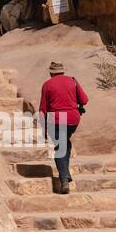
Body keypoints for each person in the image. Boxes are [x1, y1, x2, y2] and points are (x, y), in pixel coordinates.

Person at [38, 60, 88, 194]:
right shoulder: (73, 81)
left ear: (50, 72)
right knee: (65, 143)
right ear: (63, 71)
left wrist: (43, 128)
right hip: (73, 119)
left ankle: (64, 179)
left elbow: (43, 108)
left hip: (57, 119)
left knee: (60, 147)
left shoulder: (47, 85)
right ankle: (66, 174)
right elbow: (84, 100)